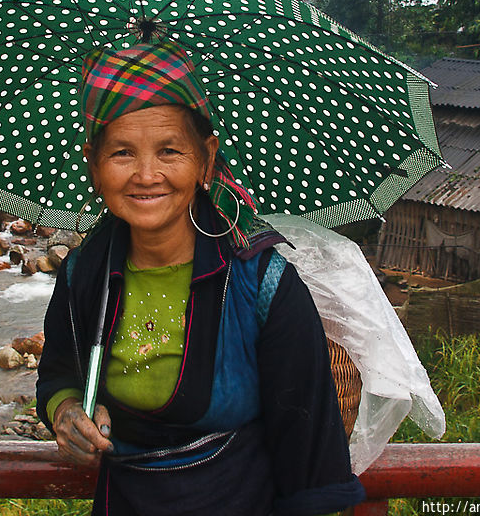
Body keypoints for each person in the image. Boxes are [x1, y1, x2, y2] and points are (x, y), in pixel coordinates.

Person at [36, 39, 366, 515]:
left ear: (205, 158)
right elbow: (59, 373)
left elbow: (308, 452)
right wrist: (67, 412)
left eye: (170, 151)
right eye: (122, 153)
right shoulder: (85, 273)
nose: (146, 174)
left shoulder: (263, 282)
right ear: (93, 162)